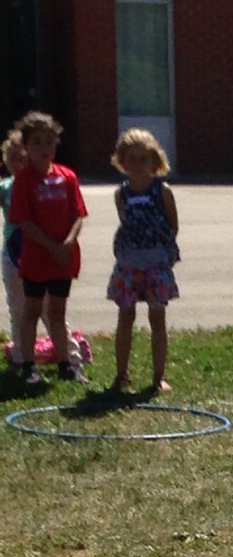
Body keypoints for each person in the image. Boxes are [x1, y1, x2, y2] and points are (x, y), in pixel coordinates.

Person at [8, 111, 88, 385]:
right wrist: (49, 245)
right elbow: (22, 220)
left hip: (63, 258)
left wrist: (66, 243)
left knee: (58, 311)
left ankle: (65, 363)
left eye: (49, 142)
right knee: (31, 310)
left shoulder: (67, 177)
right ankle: (29, 365)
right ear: (26, 147)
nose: (44, 148)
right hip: (37, 258)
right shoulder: (24, 180)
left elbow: (79, 214)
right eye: (37, 143)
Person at [106, 128, 180, 393]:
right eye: (131, 159)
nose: (136, 165)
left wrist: (162, 252)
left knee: (157, 318)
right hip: (128, 264)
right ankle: (122, 375)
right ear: (122, 162)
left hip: (156, 263)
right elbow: (125, 222)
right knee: (125, 316)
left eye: (143, 159)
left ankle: (158, 376)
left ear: (154, 162)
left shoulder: (163, 191)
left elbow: (173, 224)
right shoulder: (121, 194)